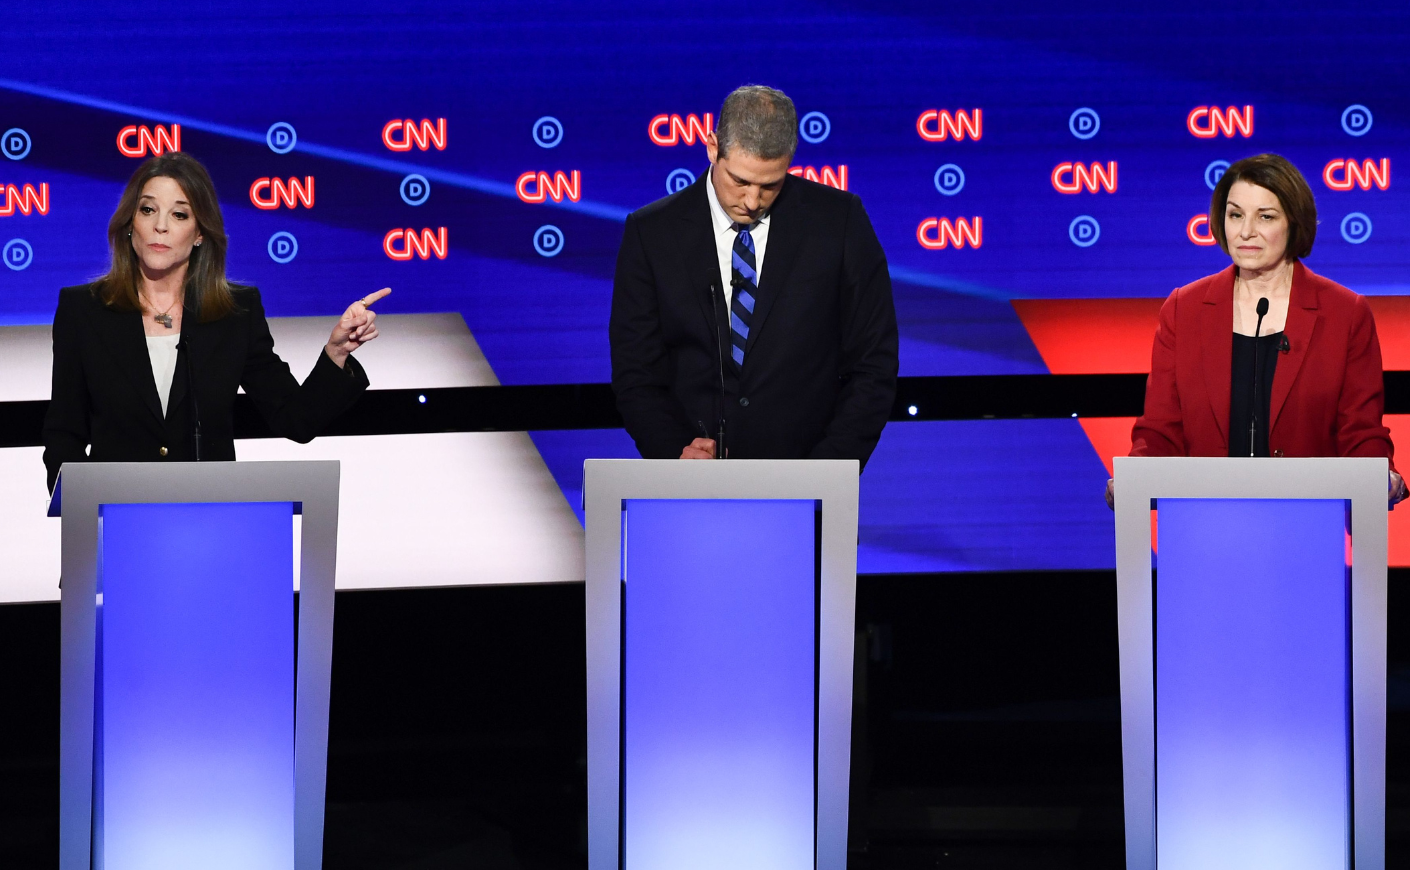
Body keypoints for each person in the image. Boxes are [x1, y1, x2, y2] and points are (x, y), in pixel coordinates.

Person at [42, 152, 387, 493]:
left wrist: (336, 353)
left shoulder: (235, 313)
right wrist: (84, 507)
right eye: (148, 209)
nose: (160, 225)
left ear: (199, 234)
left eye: (179, 214)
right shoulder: (83, 310)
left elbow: (295, 419)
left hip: (210, 522)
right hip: (116, 522)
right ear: (131, 222)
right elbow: (64, 435)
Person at [610, 85, 899, 466]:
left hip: (810, 485)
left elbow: (873, 364)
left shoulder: (838, 223)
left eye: (770, 186)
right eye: (741, 181)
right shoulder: (652, 233)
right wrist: (674, 452)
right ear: (713, 148)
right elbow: (636, 372)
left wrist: (828, 471)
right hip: (692, 486)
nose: (751, 201)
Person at [1108, 152, 1405, 507]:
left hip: (1306, 525)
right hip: (1201, 525)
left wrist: (1379, 477)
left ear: (1294, 223)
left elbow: (1360, 431)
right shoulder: (1183, 309)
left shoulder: (1344, 313)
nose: (1246, 231)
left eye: (1265, 216)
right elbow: (1160, 428)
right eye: (1235, 215)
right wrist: (1135, 478)